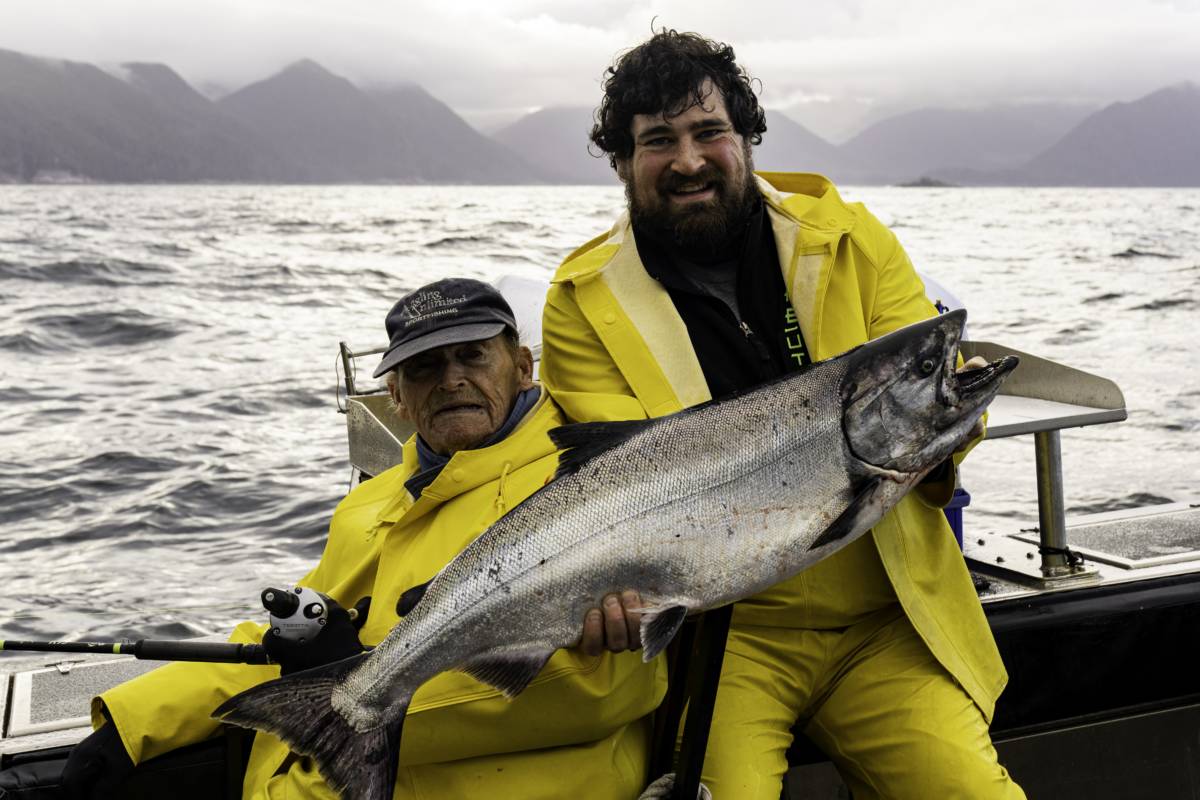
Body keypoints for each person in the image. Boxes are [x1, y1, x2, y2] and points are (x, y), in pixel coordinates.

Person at [539, 29, 1026, 800]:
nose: (690, 160)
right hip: (724, 640)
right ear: (623, 162)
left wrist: (947, 444)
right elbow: (611, 482)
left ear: (747, 138)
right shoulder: (581, 303)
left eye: (709, 132)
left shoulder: (852, 240)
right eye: (659, 141)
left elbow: (929, 409)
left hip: (886, 620)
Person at [62, 277, 666, 799]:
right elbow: (291, 637)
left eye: (472, 357)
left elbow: (603, 695)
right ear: (396, 397)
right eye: (425, 367)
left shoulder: (587, 482)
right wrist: (133, 724)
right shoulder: (369, 501)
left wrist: (351, 690)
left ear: (523, 366)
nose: (451, 379)